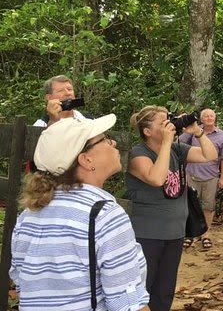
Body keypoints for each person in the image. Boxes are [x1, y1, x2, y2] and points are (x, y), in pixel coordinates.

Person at [11, 115, 150, 310]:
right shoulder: (106, 216)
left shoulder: (29, 215)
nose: (113, 142)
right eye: (105, 139)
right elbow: (127, 304)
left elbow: (22, 285)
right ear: (86, 159)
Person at [125, 105, 219, 311]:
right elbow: (157, 178)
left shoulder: (177, 149)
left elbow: (210, 156)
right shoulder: (138, 153)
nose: (169, 125)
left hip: (175, 233)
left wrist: (198, 132)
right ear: (147, 132)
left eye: (169, 120)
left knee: (164, 290)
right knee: (143, 289)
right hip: (147, 235)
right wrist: (167, 142)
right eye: (162, 123)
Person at [178, 108, 223, 249]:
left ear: (215, 118)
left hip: (211, 176)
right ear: (201, 119)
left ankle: (206, 234)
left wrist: (222, 178)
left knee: (208, 206)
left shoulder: (222, 136)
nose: (209, 118)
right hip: (192, 174)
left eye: (211, 116)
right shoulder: (193, 132)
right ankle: (189, 234)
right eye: (205, 116)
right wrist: (183, 124)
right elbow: (178, 142)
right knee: (190, 206)